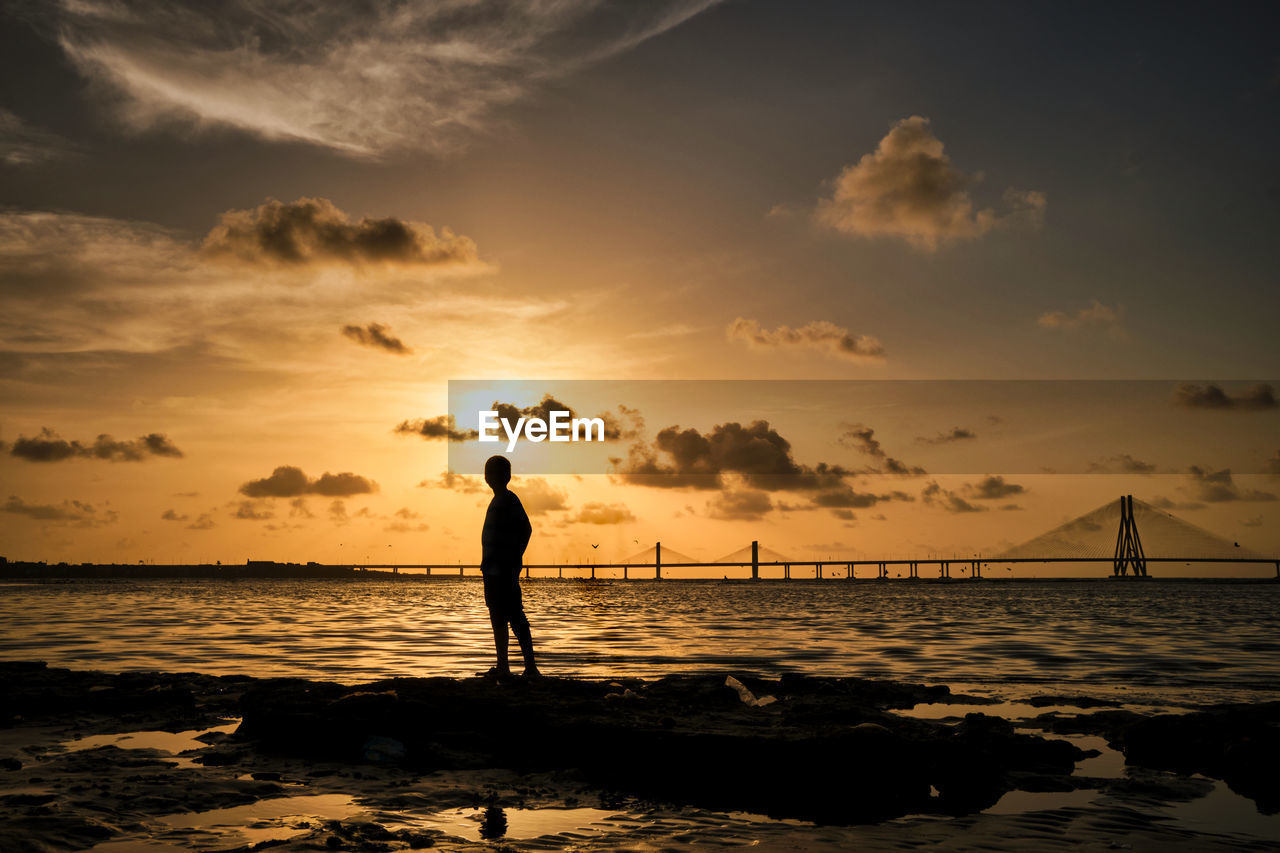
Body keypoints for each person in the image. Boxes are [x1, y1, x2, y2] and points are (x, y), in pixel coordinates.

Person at [480, 454, 539, 678]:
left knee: (515, 616)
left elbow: (526, 529)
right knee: (497, 617)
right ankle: (503, 666)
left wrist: (514, 558)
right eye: (487, 472)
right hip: (493, 570)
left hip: (503, 570)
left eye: (492, 472)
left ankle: (530, 667)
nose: (488, 477)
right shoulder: (497, 501)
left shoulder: (509, 500)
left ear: (506, 476)